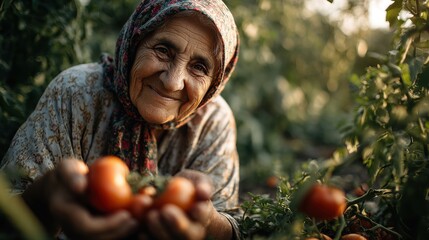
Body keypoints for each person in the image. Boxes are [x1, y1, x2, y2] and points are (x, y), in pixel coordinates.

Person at [0, 0, 240, 239]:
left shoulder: (212, 121)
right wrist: (46, 196)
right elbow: (8, 211)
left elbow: (234, 227)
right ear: (134, 44)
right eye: (163, 50)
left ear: (214, 84)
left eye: (199, 67)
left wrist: (208, 222)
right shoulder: (77, 91)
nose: (172, 82)